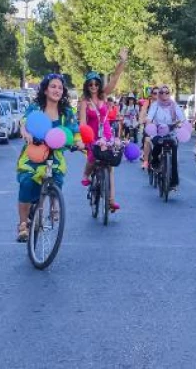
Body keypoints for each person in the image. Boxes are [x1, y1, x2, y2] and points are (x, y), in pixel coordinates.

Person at [17, 74, 84, 242]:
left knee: (56, 180)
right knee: (27, 183)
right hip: (34, 153)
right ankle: (23, 224)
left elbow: (74, 131)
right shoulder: (36, 108)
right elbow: (24, 124)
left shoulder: (66, 112)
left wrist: (79, 142)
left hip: (54, 155)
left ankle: (54, 204)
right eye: (53, 86)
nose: (57, 90)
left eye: (60, 88)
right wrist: (26, 134)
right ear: (46, 90)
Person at [78, 48, 128, 212]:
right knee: (92, 157)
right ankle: (86, 175)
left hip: (106, 133)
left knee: (110, 165)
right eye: (91, 84)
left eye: (96, 83)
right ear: (87, 85)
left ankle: (111, 200)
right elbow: (83, 122)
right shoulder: (84, 101)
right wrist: (84, 139)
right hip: (91, 134)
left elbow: (114, 79)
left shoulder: (104, 96)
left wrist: (122, 61)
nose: (94, 86)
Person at [146, 84, 185, 190]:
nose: (164, 94)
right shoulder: (155, 105)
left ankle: (174, 181)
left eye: (166, 92)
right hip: (158, 131)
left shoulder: (174, 104)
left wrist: (181, 123)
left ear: (169, 94)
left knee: (174, 156)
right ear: (159, 94)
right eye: (161, 92)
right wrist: (150, 125)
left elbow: (182, 118)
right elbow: (149, 118)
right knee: (157, 144)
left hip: (171, 132)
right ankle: (155, 161)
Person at [140, 86, 159, 170]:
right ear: (151, 94)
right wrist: (142, 119)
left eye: (159, 93)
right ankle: (146, 161)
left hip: (161, 127)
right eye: (155, 93)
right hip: (149, 125)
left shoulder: (164, 102)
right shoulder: (148, 102)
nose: (157, 95)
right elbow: (143, 112)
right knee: (147, 140)